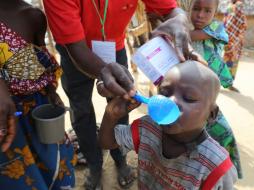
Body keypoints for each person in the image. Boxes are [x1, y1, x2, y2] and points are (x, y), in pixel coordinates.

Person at [42, 0, 204, 189]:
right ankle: (95, 166)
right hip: (75, 52)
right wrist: (102, 70)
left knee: (121, 107)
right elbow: (76, 47)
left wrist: (180, 18)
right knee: (81, 111)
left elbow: (171, 9)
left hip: (114, 48)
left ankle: (120, 160)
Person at [99, 60, 238, 189]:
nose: (171, 101)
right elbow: (107, 143)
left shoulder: (216, 168)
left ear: (212, 114)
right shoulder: (147, 128)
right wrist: (111, 115)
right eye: (164, 93)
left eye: (188, 98)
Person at [0, 0, 76, 189]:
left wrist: (51, 91)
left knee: (55, 164)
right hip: (4, 119)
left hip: (37, 109)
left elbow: (42, 60)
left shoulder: (32, 16)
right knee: (19, 176)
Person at [189, 0, 243, 179]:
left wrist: (173, 30)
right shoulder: (184, 28)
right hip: (188, 95)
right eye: (195, 9)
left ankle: (228, 171)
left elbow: (192, 36)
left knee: (223, 133)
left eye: (207, 11)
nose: (200, 15)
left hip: (207, 95)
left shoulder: (216, 28)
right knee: (191, 134)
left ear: (215, 12)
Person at [223, 0, 247, 92]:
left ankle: (224, 82)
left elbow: (225, 23)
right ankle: (228, 83)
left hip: (227, 37)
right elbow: (242, 23)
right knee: (232, 62)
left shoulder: (228, 6)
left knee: (226, 60)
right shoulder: (239, 5)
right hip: (235, 39)